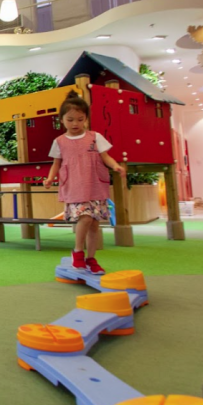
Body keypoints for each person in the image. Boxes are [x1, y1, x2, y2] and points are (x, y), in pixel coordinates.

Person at [45, 91, 125, 274]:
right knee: (86, 218)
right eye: (71, 119)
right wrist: (50, 178)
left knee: (94, 224)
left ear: (86, 119)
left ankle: (91, 258)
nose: (75, 124)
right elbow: (56, 163)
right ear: (62, 120)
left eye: (80, 119)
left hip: (95, 185)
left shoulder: (95, 137)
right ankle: (78, 252)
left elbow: (105, 156)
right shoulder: (59, 141)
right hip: (75, 186)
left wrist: (116, 166)